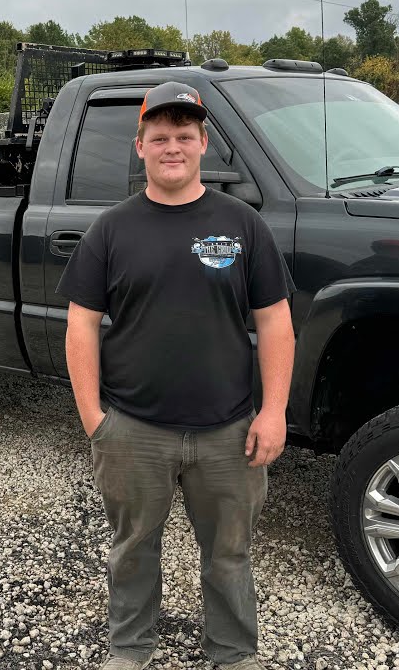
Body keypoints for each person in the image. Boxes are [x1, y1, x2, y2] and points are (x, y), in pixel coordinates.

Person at [56, 82, 297, 670]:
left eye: (184, 136)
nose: (173, 147)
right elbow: (81, 325)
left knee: (230, 553)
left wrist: (273, 412)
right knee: (133, 548)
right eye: (159, 137)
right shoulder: (110, 230)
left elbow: (275, 323)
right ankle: (130, 647)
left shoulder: (242, 225)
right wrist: (94, 419)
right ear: (139, 146)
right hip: (133, 430)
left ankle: (233, 653)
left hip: (228, 431)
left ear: (203, 144)